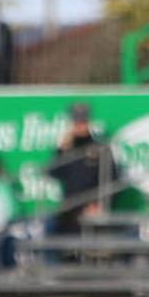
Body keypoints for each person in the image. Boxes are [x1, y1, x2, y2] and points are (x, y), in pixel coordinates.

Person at [46, 102, 119, 238]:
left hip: (91, 208)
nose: (80, 125)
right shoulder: (67, 147)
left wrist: (100, 204)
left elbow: (113, 179)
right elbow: (53, 173)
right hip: (69, 210)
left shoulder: (99, 147)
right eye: (77, 121)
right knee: (48, 229)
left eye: (83, 121)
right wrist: (61, 150)